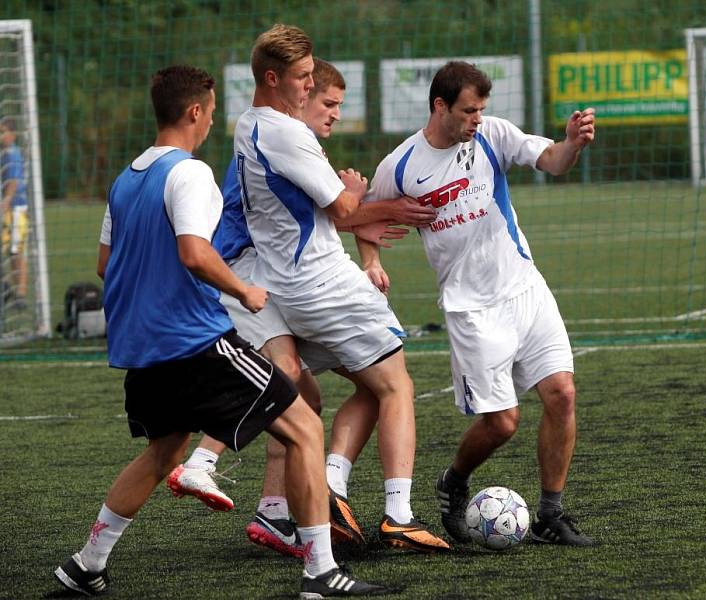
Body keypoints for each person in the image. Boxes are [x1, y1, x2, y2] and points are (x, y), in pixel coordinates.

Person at [53, 65, 386, 598]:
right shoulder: (189, 174)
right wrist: (244, 291)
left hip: (144, 350)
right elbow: (195, 252)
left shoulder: (126, 179)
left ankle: (86, 564)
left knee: (162, 453)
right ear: (194, 112)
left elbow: (104, 263)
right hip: (194, 344)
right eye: (208, 112)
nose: (211, 122)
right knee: (303, 426)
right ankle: (321, 573)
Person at [167, 58, 434, 557]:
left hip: (261, 278)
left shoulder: (282, 144)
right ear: (297, 101)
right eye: (326, 103)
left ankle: (275, 512)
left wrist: (363, 237)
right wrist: (372, 209)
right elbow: (334, 214)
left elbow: (324, 221)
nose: (333, 113)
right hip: (243, 274)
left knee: (299, 397)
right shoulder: (281, 141)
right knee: (292, 378)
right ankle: (208, 461)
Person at [360, 61, 597, 547]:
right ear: (439, 106)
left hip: (525, 287)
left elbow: (550, 160)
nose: (477, 119)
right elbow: (364, 216)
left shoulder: (491, 134)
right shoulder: (401, 165)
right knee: (501, 423)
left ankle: (550, 513)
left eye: (481, 109)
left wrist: (571, 144)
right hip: (472, 308)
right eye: (468, 110)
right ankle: (454, 482)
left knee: (563, 394)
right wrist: (370, 261)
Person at [233, 24, 449, 554]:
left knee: (366, 388)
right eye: (304, 79)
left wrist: (355, 216)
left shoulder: (249, 125)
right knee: (397, 385)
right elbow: (344, 208)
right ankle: (398, 514)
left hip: (290, 287)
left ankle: (329, 489)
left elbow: (323, 212)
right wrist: (387, 207)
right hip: (324, 283)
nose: (309, 88)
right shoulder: (287, 134)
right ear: (272, 77)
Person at [1, 117, 29, 309]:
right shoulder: (5, 154)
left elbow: (13, 183)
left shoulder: (13, 154)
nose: (1, 136)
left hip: (16, 208)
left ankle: (20, 293)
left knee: (17, 251)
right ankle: (9, 287)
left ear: (12, 134)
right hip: (9, 209)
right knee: (11, 251)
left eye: (3, 131)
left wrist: (5, 202)